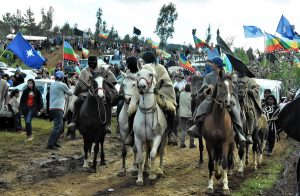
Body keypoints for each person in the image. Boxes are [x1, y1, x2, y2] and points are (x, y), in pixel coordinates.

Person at [187, 57, 247, 143]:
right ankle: (198, 126)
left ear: (216, 64)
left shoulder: (227, 75)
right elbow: (204, 88)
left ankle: (239, 132)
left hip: (226, 97)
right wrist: (208, 88)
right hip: (213, 98)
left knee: (235, 109)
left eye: (212, 63)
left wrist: (230, 88)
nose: (210, 64)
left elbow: (233, 86)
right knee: (202, 106)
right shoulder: (208, 76)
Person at [127, 51, 178, 145]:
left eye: (144, 61)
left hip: (159, 94)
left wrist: (157, 88)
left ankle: (171, 132)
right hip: (144, 95)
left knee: (170, 108)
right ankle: (131, 133)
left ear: (150, 61)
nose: (143, 62)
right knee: (132, 108)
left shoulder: (160, 68)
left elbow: (166, 81)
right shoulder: (143, 69)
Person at [68, 56, 117, 134]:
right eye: (90, 62)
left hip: (100, 91)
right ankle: (74, 122)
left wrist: (104, 84)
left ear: (97, 61)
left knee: (107, 102)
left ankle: (107, 124)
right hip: (87, 92)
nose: (92, 64)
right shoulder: (84, 71)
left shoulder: (102, 69)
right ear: (88, 63)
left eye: (94, 62)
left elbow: (113, 79)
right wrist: (76, 93)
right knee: (78, 101)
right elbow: (80, 84)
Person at [47, 71, 72, 150]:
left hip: (53, 108)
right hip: (58, 108)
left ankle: (55, 142)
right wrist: (68, 82)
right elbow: (70, 93)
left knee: (60, 126)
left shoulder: (53, 84)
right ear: (62, 77)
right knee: (57, 127)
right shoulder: (62, 85)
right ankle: (50, 144)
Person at [236, 69, 262, 144]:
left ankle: (249, 134)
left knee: (249, 113)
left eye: (239, 70)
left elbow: (256, 91)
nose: (237, 71)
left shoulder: (251, 80)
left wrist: (248, 90)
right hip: (235, 100)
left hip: (247, 101)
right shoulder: (234, 78)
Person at [178, 83, 195, 148]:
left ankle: (182, 143)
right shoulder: (192, 95)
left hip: (182, 113)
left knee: (183, 129)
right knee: (191, 129)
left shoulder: (181, 94)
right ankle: (191, 144)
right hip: (189, 114)